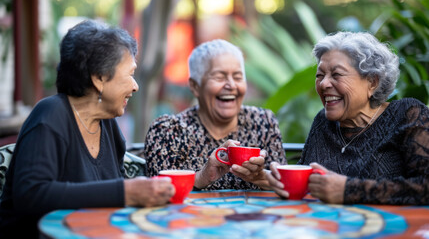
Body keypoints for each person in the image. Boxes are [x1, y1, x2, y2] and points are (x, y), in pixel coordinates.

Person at [0, 20, 174, 238]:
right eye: (130, 74)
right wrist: (125, 192)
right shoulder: (50, 116)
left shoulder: (107, 122)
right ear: (99, 78)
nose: (135, 86)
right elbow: (31, 194)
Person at [267, 31, 429, 205]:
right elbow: (306, 178)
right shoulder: (323, 122)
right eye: (319, 75)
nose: (323, 84)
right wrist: (266, 178)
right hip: (328, 228)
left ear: (372, 82)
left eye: (336, 75)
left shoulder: (407, 114)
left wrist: (348, 190)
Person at [142, 39, 286, 190]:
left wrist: (260, 177)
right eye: (219, 77)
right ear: (195, 86)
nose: (231, 85)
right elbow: (159, 191)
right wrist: (201, 177)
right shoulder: (168, 130)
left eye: (237, 77)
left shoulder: (263, 122)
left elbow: (284, 185)